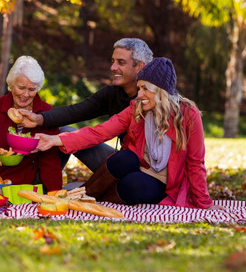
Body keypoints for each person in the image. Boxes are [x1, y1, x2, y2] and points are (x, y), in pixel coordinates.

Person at [36, 58, 224, 210]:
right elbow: (101, 131)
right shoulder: (137, 108)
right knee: (124, 158)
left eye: (145, 89)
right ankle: (83, 197)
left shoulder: (188, 115)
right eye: (139, 88)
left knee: (132, 185)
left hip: (165, 183)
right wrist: (56, 139)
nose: (139, 94)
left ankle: (89, 197)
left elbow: (195, 162)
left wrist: (204, 203)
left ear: (161, 92)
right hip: (138, 166)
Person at [18, 38, 153, 174]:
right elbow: (76, 111)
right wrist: (39, 119)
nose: (113, 68)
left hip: (149, 171)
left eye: (121, 62)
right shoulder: (113, 93)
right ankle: (45, 186)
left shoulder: (155, 99)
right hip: (120, 162)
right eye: (113, 61)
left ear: (140, 66)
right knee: (64, 133)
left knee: (127, 160)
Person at [0, 56, 62, 192]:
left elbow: (50, 160)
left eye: (32, 89)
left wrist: (54, 194)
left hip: (32, 180)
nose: (25, 94)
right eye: (21, 88)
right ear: (11, 85)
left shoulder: (46, 113)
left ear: (38, 88)